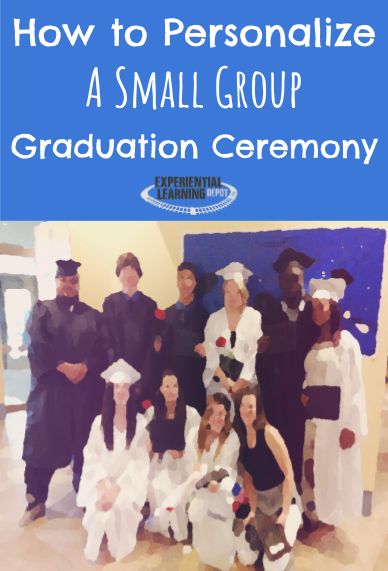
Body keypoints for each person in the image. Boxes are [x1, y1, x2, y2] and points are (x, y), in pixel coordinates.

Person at [20, 259, 105, 526]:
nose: (68, 285)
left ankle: (85, 496)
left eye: (73, 280)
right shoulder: (42, 310)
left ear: (78, 282)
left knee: (84, 445)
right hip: (51, 393)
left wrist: (86, 366)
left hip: (83, 393)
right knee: (42, 442)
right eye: (63, 280)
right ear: (56, 281)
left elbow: (104, 350)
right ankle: (36, 500)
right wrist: (62, 366)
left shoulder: (93, 315)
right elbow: (36, 345)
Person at [300, 277, 367, 530]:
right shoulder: (313, 343)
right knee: (313, 469)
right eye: (314, 307)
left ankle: (332, 520)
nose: (317, 312)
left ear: (333, 309)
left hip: (337, 422)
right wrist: (303, 393)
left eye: (322, 307)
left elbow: (356, 386)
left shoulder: (347, 343)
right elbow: (309, 378)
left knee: (334, 471)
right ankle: (315, 515)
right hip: (315, 420)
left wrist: (352, 426)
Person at [253, 248, 318, 487]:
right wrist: (259, 348)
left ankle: (302, 506)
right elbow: (257, 355)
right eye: (289, 278)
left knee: (303, 451)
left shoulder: (313, 312)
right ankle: (281, 504)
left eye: (298, 278)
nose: (294, 284)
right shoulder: (267, 313)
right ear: (279, 281)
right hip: (276, 398)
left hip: (304, 399)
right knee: (276, 449)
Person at [77, 359, 150, 562]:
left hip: (126, 484)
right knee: (100, 508)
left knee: (120, 506)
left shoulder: (140, 423)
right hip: (102, 481)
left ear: (131, 391)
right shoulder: (99, 423)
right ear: (111, 390)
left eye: (125, 387)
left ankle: (115, 547)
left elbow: (139, 462)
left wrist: (116, 489)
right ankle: (96, 545)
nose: (120, 391)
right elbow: (91, 456)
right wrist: (102, 487)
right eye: (117, 387)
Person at [234, 387, 302, 571]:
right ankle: (263, 548)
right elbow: (248, 481)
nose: (248, 411)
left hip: (284, 501)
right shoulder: (242, 440)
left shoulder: (269, 433)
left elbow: (289, 474)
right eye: (244, 406)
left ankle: (284, 557)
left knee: (274, 565)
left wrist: (285, 513)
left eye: (251, 406)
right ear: (238, 410)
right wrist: (253, 512)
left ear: (258, 409)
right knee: (246, 556)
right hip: (262, 503)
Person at [144, 369, 200, 541]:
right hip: (160, 463)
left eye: (174, 386)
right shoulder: (153, 413)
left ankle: (176, 523)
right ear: (161, 388)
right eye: (167, 386)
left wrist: (181, 453)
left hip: (182, 464)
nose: (171, 390)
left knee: (176, 488)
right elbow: (147, 444)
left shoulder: (190, 414)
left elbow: (195, 444)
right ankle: (165, 520)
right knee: (160, 483)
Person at [203, 262, 262, 409]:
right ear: (223, 292)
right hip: (219, 384)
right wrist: (225, 381)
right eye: (228, 292)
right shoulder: (214, 319)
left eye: (237, 292)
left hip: (246, 386)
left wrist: (239, 384)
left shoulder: (253, 316)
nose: (232, 297)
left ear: (244, 293)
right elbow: (210, 353)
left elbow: (253, 354)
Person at [102, 252, 160, 401]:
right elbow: (108, 342)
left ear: (139, 273)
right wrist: (119, 376)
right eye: (124, 268)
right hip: (118, 377)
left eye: (133, 268)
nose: (128, 273)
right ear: (118, 274)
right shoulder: (110, 303)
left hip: (144, 376)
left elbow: (150, 347)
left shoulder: (150, 305)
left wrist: (141, 380)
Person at [162, 262, 208, 414]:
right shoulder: (166, 314)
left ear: (195, 283)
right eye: (181, 277)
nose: (184, 282)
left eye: (189, 278)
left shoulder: (204, 315)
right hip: (173, 379)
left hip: (196, 378)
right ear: (176, 281)